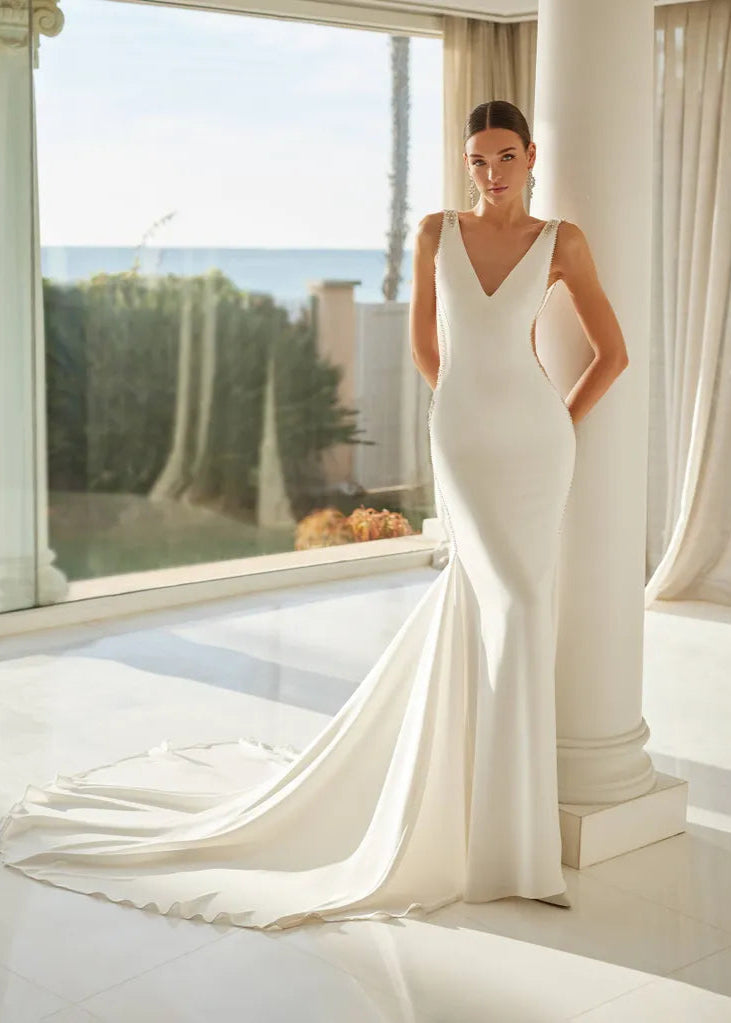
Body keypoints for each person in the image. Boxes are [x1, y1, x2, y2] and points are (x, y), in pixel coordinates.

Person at [0, 99, 628, 930]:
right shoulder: (437, 233)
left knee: (517, 614)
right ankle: (498, 840)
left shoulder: (562, 242)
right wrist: (464, 413)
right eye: (476, 160)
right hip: (466, 444)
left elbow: (610, 353)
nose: (490, 173)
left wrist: (554, 423)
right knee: (507, 607)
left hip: (536, 450)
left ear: (530, 155)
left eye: (504, 156)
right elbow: (423, 347)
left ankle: (508, 842)